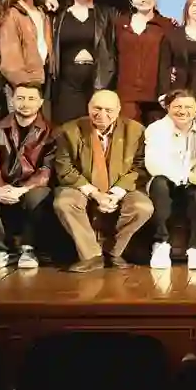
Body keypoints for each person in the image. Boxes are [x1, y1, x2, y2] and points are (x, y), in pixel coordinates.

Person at [52, 90, 154, 273]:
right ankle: (92, 256)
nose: (102, 114)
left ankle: (112, 252)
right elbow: (65, 168)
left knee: (143, 207)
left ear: (119, 110)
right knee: (64, 202)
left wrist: (116, 193)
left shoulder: (136, 131)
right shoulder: (69, 131)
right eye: (97, 108)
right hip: (82, 186)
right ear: (88, 107)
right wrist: (95, 193)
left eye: (109, 110)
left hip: (122, 187)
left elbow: (140, 167)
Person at [0, 82, 56, 270]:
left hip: (31, 187)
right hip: (4, 184)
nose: (25, 103)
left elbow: (47, 170)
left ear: (40, 102)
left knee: (39, 195)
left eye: (31, 98)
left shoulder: (51, 132)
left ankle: (29, 249)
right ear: (12, 101)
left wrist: (22, 189)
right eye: (20, 98)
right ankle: (0, 250)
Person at [144, 90, 196, 270]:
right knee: (159, 183)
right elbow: (154, 164)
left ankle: (195, 247)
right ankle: (161, 244)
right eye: (177, 106)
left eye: (188, 107)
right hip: (168, 180)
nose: (183, 111)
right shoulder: (156, 129)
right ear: (168, 108)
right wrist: (188, 176)